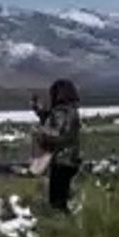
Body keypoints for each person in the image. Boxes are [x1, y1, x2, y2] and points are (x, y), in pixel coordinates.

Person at [32, 79, 82, 213]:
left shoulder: (61, 111)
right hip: (70, 159)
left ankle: (62, 226)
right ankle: (65, 223)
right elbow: (54, 121)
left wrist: (41, 133)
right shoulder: (72, 111)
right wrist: (40, 111)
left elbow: (58, 133)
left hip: (61, 159)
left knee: (57, 201)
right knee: (63, 196)